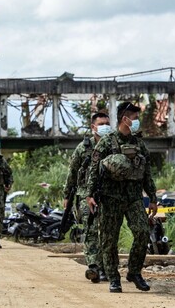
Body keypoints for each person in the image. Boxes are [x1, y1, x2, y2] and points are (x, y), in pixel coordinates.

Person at [86, 102, 158, 293]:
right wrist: (89, 195)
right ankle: (113, 278)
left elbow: (146, 173)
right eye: (134, 118)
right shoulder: (107, 142)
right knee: (109, 240)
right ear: (125, 119)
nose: (137, 122)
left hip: (133, 197)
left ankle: (134, 272)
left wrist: (152, 197)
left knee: (142, 232)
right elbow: (94, 170)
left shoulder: (139, 144)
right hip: (110, 198)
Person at [62, 112, 111, 282]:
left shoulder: (112, 145)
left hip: (108, 194)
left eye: (107, 123)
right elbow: (72, 172)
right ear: (93, 127)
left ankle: (105, 267)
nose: (105, 126)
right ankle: (94, 266)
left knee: (107, 231)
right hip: (84, 195)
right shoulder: (83, 148)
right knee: (91, 229)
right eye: (101, 123)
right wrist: (67, 195)